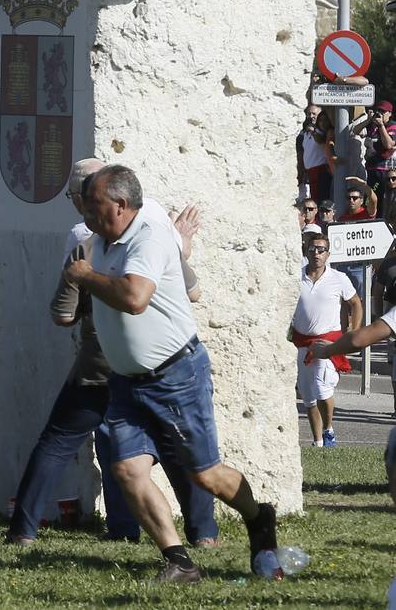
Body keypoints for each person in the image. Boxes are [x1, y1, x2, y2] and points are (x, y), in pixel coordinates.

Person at [65, 164, 283, 582]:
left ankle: (259, 518)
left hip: (175, 376)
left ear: (121, 205)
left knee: (205, 475)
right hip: (128, 381)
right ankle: (179, 561)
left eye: (94, 208)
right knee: (127, 470)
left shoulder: (145, 237)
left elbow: (134, 298)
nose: (88, 217)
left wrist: (84, 276)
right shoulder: (106, 234)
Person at [12, 159, 218, 547]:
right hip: (152, 366)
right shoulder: (156, 233)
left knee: (66, 444)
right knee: (172, 453)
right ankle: (201, 534)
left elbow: (62, 314)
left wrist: (85, 283)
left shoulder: (84, 245)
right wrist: (181, 249)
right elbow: (192, 292)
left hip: (101, 364)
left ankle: (26, 529)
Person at [290, 229, 360, 447]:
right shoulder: (295, 276)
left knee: (322, 389)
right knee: (308, 395)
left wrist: (353, 333)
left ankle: (328, 428)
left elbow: (356, 303)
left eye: (321, 250)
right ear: (307, 251)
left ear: (328, 254)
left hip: (327, 342)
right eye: (313, 249)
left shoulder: (339, 278)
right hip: (301, 341)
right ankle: (318, 441)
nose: (317, 253)